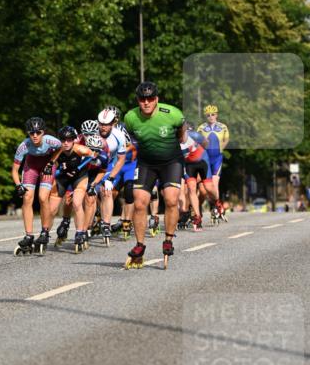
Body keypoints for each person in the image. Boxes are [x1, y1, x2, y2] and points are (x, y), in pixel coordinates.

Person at [123, 80, 185, 268]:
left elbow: (182, 134)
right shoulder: (130, 117)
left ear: (156, 99)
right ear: (138, 100)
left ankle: (168, 239)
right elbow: (133, 138)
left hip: (171, 162)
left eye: (150, 98)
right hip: (146, 163)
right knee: (139, 201)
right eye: (142, 99)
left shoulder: (172, 114)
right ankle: (140, 245)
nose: (146, 102)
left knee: (171, 199)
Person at [11, 117, 61, 255]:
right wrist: (18, 185)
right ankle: (29, 235)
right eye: (31, 133)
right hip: (31, 167)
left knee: (43, 197)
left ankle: (45, 232)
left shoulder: (51, 141)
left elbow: (61, 147)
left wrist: (52, 162)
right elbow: (15, 170)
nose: (35, 136)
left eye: (38, 132)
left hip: (47, 166)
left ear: (43, 132)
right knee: (27, 197)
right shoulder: (24, 146)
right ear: (28, 133)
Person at [47, 126, 98, 251]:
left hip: (79, 178)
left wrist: (80, 167)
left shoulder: (81, 149)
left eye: (69, 140)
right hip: (63, 179)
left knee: (76, 203)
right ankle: (45, 233)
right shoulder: (57, 151)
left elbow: (96, 157)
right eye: (63, 140)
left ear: (74, 140)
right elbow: (49, 166)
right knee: (52, 209)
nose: (66, 143)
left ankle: (80, 233)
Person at [95, 107, 127, 243]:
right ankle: (96, 214)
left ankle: (106, 224)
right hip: (92, 165)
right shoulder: (91, 133)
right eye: (101, 124)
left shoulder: (119, 135)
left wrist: (111, 178)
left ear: (113, 123)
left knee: (107, 191)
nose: (103, 127)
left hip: (109, 166)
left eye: (106, 124)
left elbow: (121, 159)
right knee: (89, 194)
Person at [197, 104, 229, 218]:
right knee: (203, 190)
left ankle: (216, 206)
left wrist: (221, 148)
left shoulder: (223, 127)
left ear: (217, 115)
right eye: (208, 115)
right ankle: (197, 207)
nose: (211, 117)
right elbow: (197, 141)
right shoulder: (201, 128)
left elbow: (227, 138)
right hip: (205, 159)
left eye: (213, 114)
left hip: (217, 159)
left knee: (214, 185)